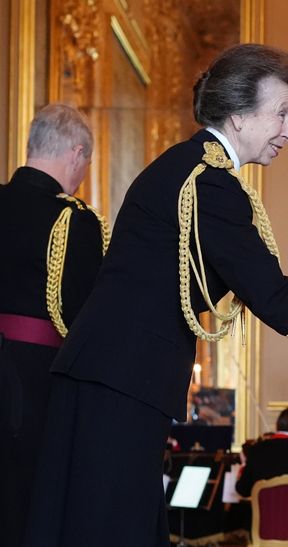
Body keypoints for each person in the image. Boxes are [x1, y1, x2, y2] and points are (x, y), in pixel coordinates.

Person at [24, 44, 288, 547]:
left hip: (116, 379)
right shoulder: (207, 183)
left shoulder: (193, 169)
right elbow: (274, 296)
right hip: (119, 384)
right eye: (281, 113)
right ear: (238, 114)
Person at [0, 104, 106, 547]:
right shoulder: (75, 221)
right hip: (33, 388)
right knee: (28, 511)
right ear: (76, 154)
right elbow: (88, 319)